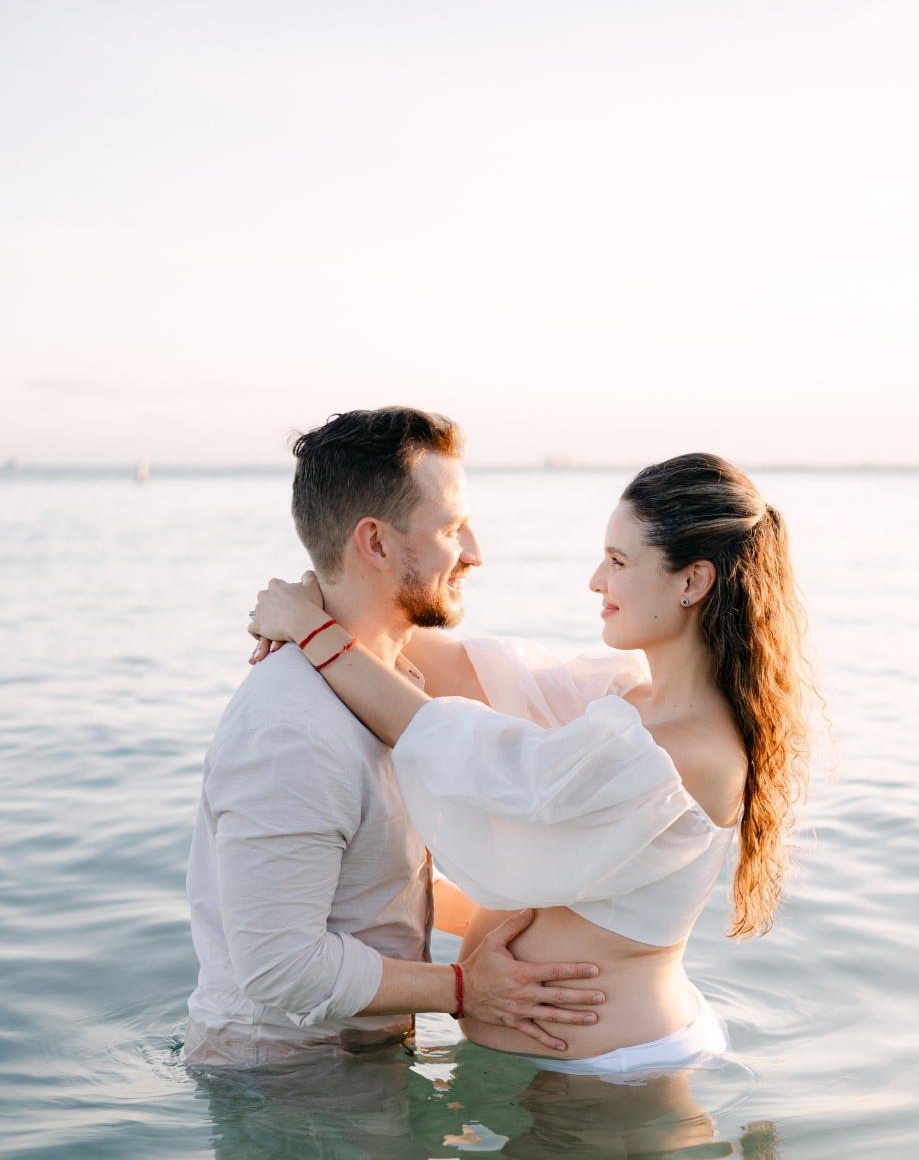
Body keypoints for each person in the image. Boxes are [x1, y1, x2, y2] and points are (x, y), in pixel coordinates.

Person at [244, 452, 816, 1079]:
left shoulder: (685, 750)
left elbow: (479, 756)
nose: (597, 580)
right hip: (560, 1077)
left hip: (616, 1082)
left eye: (619, 562)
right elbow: (460, 670)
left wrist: (315, 631)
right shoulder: (621, 700)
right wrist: (325, 594)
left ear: (691, 582)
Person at [186, 408, 613, 1066]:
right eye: (450, 528)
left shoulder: (396, 679)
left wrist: (555, 938)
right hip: (288, 1089)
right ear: (377, 544)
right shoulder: (288, 732)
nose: (475, 551)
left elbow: (369, 895)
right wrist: (468, 990)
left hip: (358, 1070)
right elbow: (278, 968)